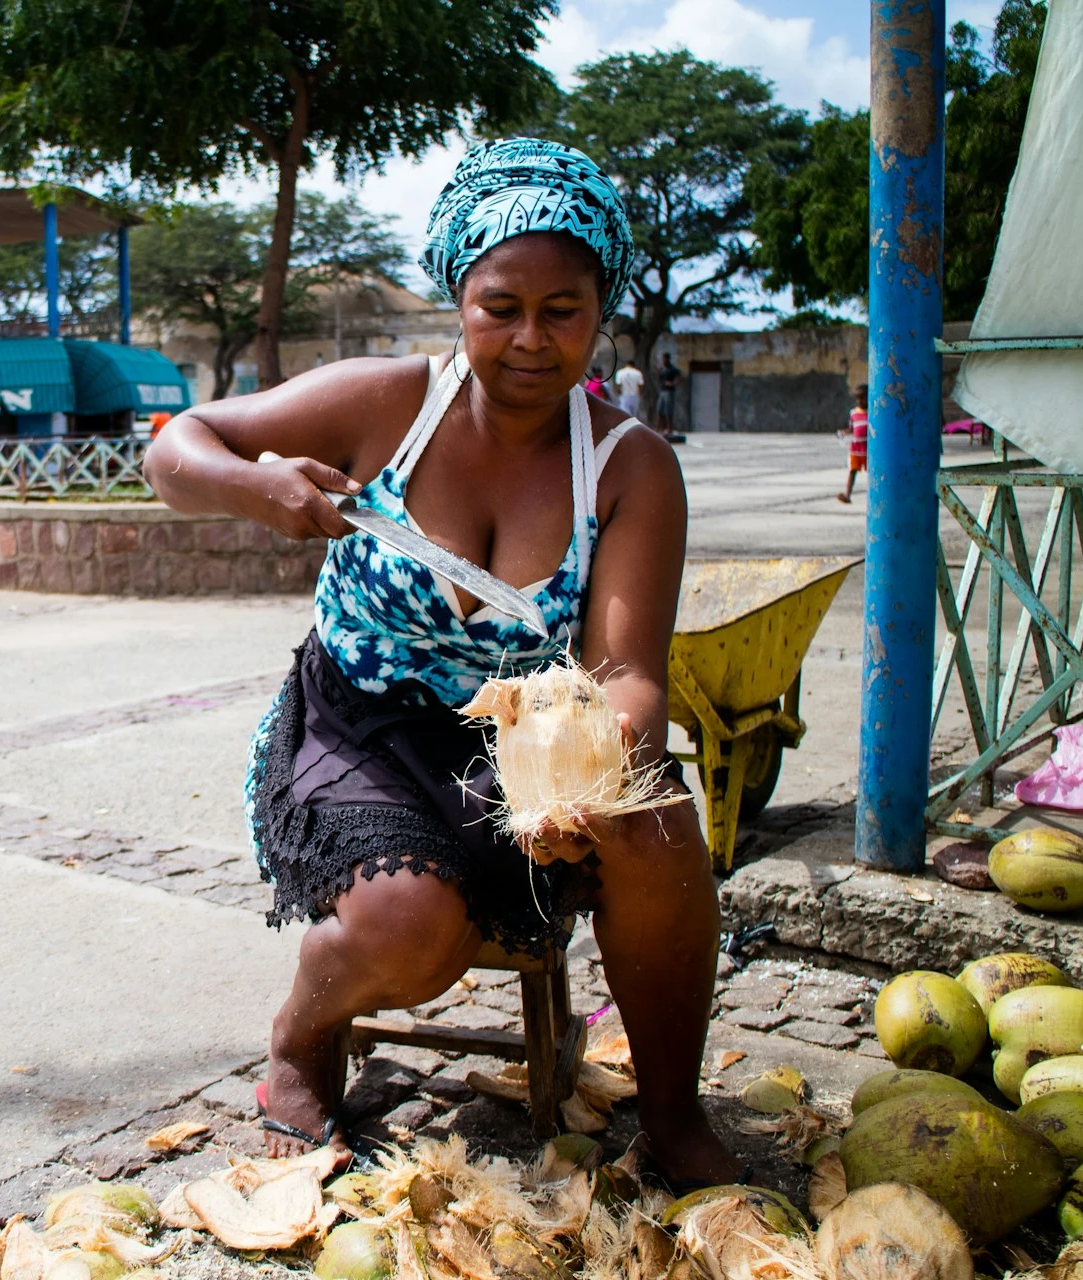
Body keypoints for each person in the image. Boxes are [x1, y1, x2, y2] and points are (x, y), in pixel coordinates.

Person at [144, 138, 736, 1186]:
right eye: (500, 305)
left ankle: (674, 1112)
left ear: (601, 311)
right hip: (358, 728)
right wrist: (259, 488)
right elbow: (175, 446)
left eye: (563, 310)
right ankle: (301, 1032)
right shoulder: (387, 404)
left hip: (522, 750)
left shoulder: (629, 465)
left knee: (658, 822)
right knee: (414, 929)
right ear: (457, 296)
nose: (529, 339)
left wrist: (609, 757)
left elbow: (630, 670)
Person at [839, 383, 869, 503]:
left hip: (867, 449)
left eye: (862, 397)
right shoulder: (854, 413)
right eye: (857, 398)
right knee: (852, 471)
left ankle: (873, 494)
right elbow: (852, 428)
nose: (859, 401)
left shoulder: (872, 413)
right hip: (856, 448)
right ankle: (847, 494)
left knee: (872, 473)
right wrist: (844, 432)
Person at [655, 354, 682, 436]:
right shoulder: (662, 369)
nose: (663, 361)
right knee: (660, 410)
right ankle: (658, 428)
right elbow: (659, 378)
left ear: (668, 359)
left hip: (669, 391)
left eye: (664, 359)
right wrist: (658, 371)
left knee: (668, 410)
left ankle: (669, 428)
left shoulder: (672, 369)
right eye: (662, 359)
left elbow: (680, 377)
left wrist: (673, 383)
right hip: (662, 391)